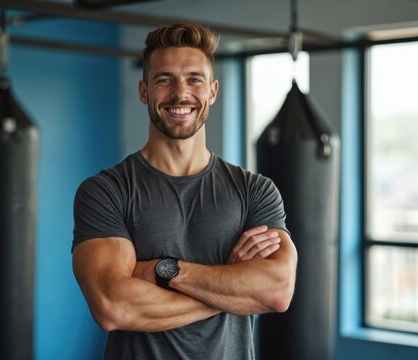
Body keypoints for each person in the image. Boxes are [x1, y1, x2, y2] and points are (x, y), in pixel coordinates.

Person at [72, 23, 297, 360]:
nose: (180, 93)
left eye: (194, 79)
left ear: (213, 92)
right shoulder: (106, 192)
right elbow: (113, 307)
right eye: (164, 80)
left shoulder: (254, 191)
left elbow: (277, 291)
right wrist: (232, 288)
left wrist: (165, 270)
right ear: (144, 91)